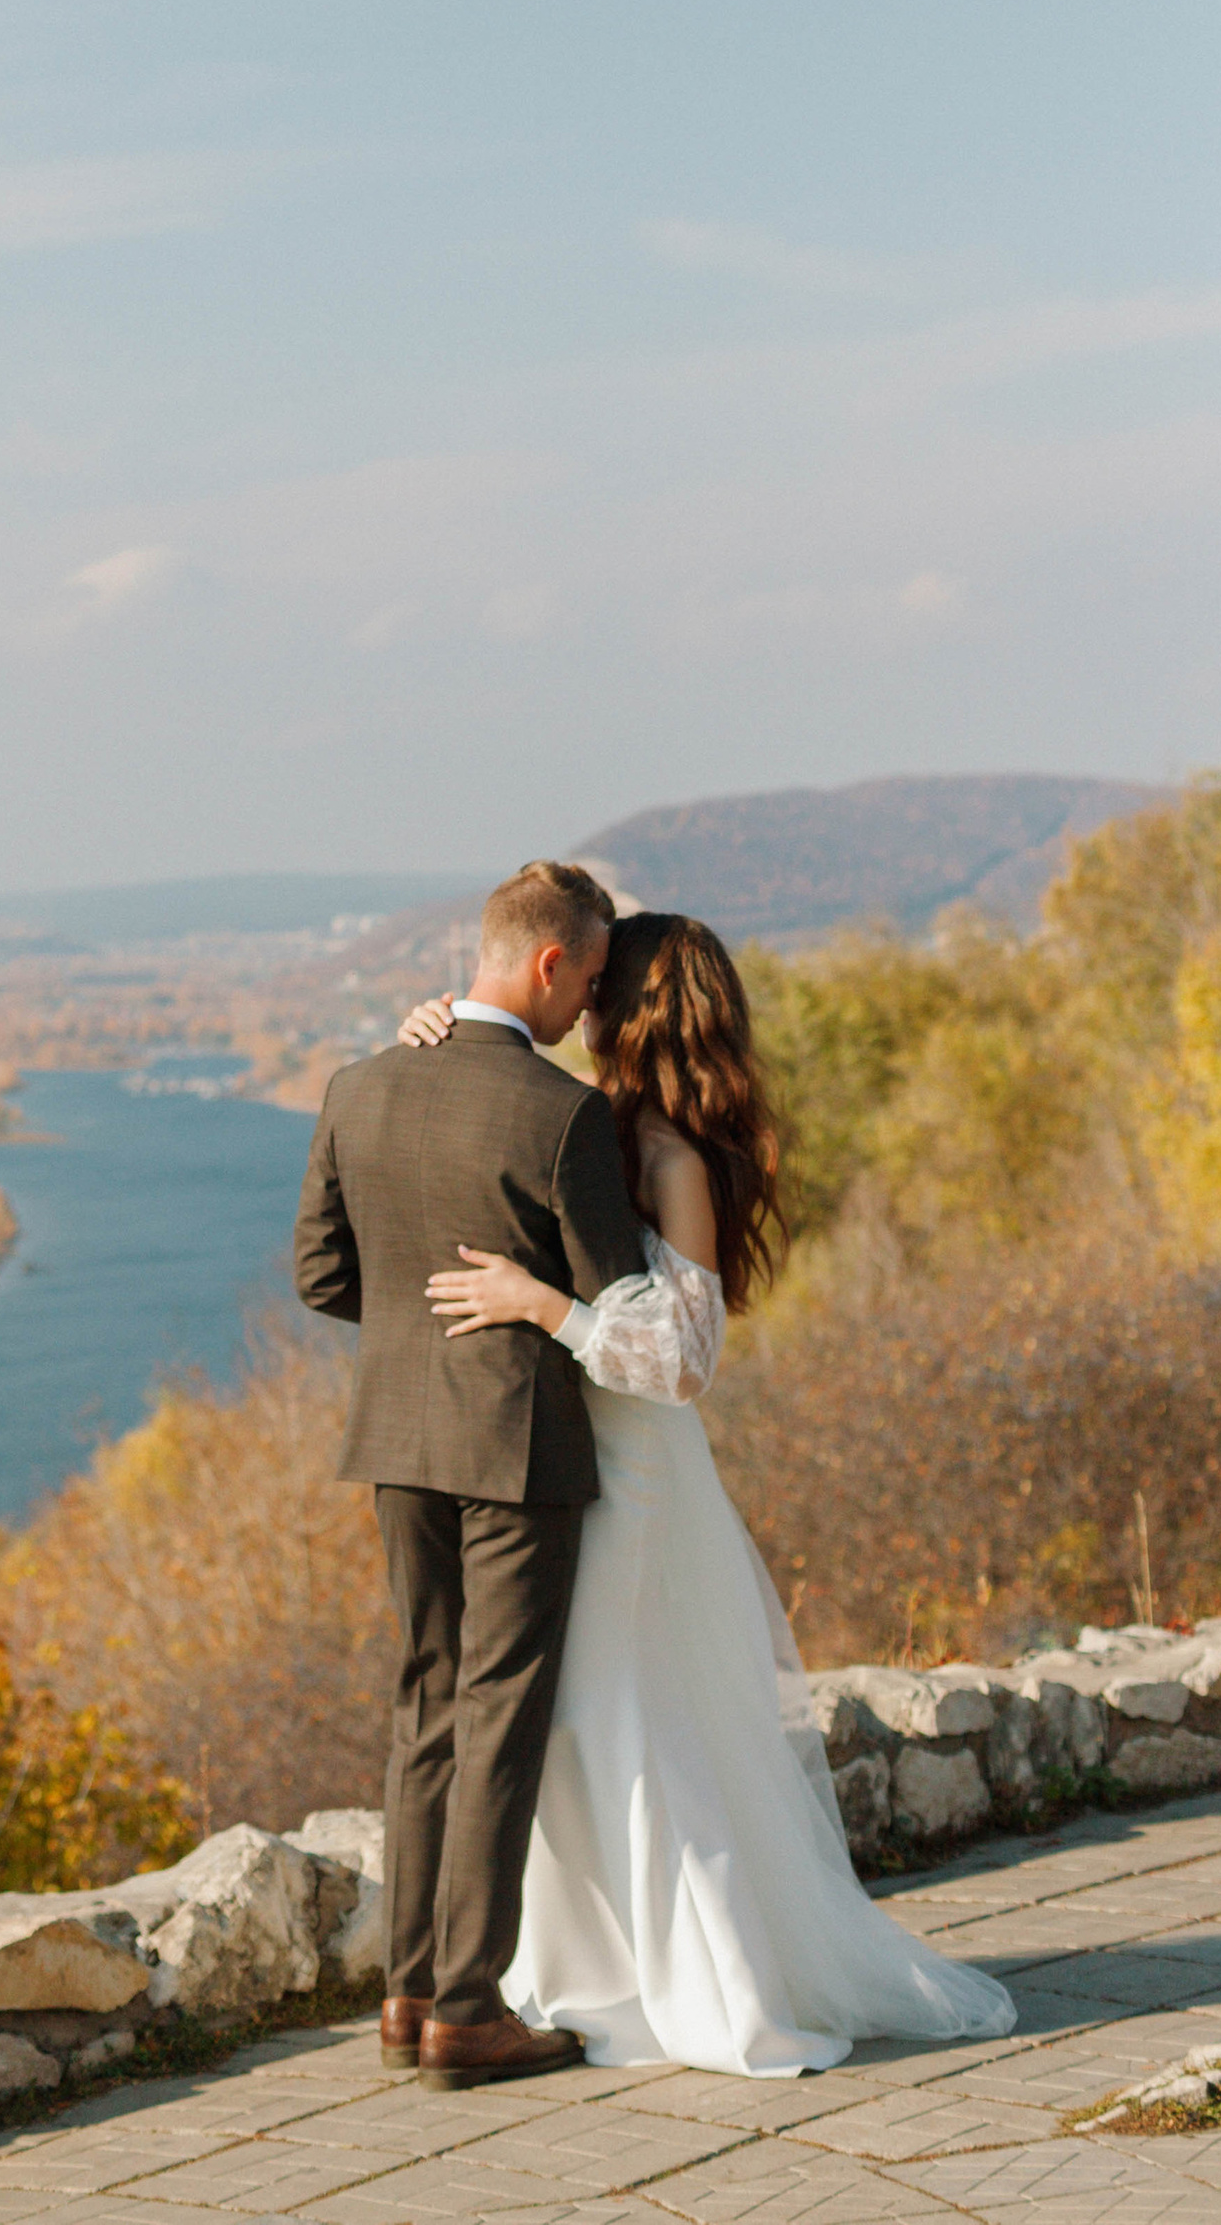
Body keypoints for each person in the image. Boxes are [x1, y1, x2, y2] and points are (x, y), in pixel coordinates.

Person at [396, 909, 1015, 2076]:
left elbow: (683, 1364)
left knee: (613, 1717)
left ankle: (698, 1978)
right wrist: (433, 1030)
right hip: (559, 1470)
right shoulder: (583, 1124)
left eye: (591, 993)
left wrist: (548, 1310)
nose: (571, 1007)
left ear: (623, 1007)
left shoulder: (669, 1153)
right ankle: (584, 1963)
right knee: (572, 1724)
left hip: (634, 1478)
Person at [292, 857, 640, 2093]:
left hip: (396, 1440)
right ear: (549, 962)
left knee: (424, 1705)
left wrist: (411, 1329)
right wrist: (524, 1312)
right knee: (498, 1715)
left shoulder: (359, 1085)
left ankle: (404, 1992)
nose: (588, 1003)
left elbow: (320, 1276)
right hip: (515, 1444)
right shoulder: (560, 1116)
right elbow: (620, 1302)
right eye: (590, 977)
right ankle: (469, 2010)